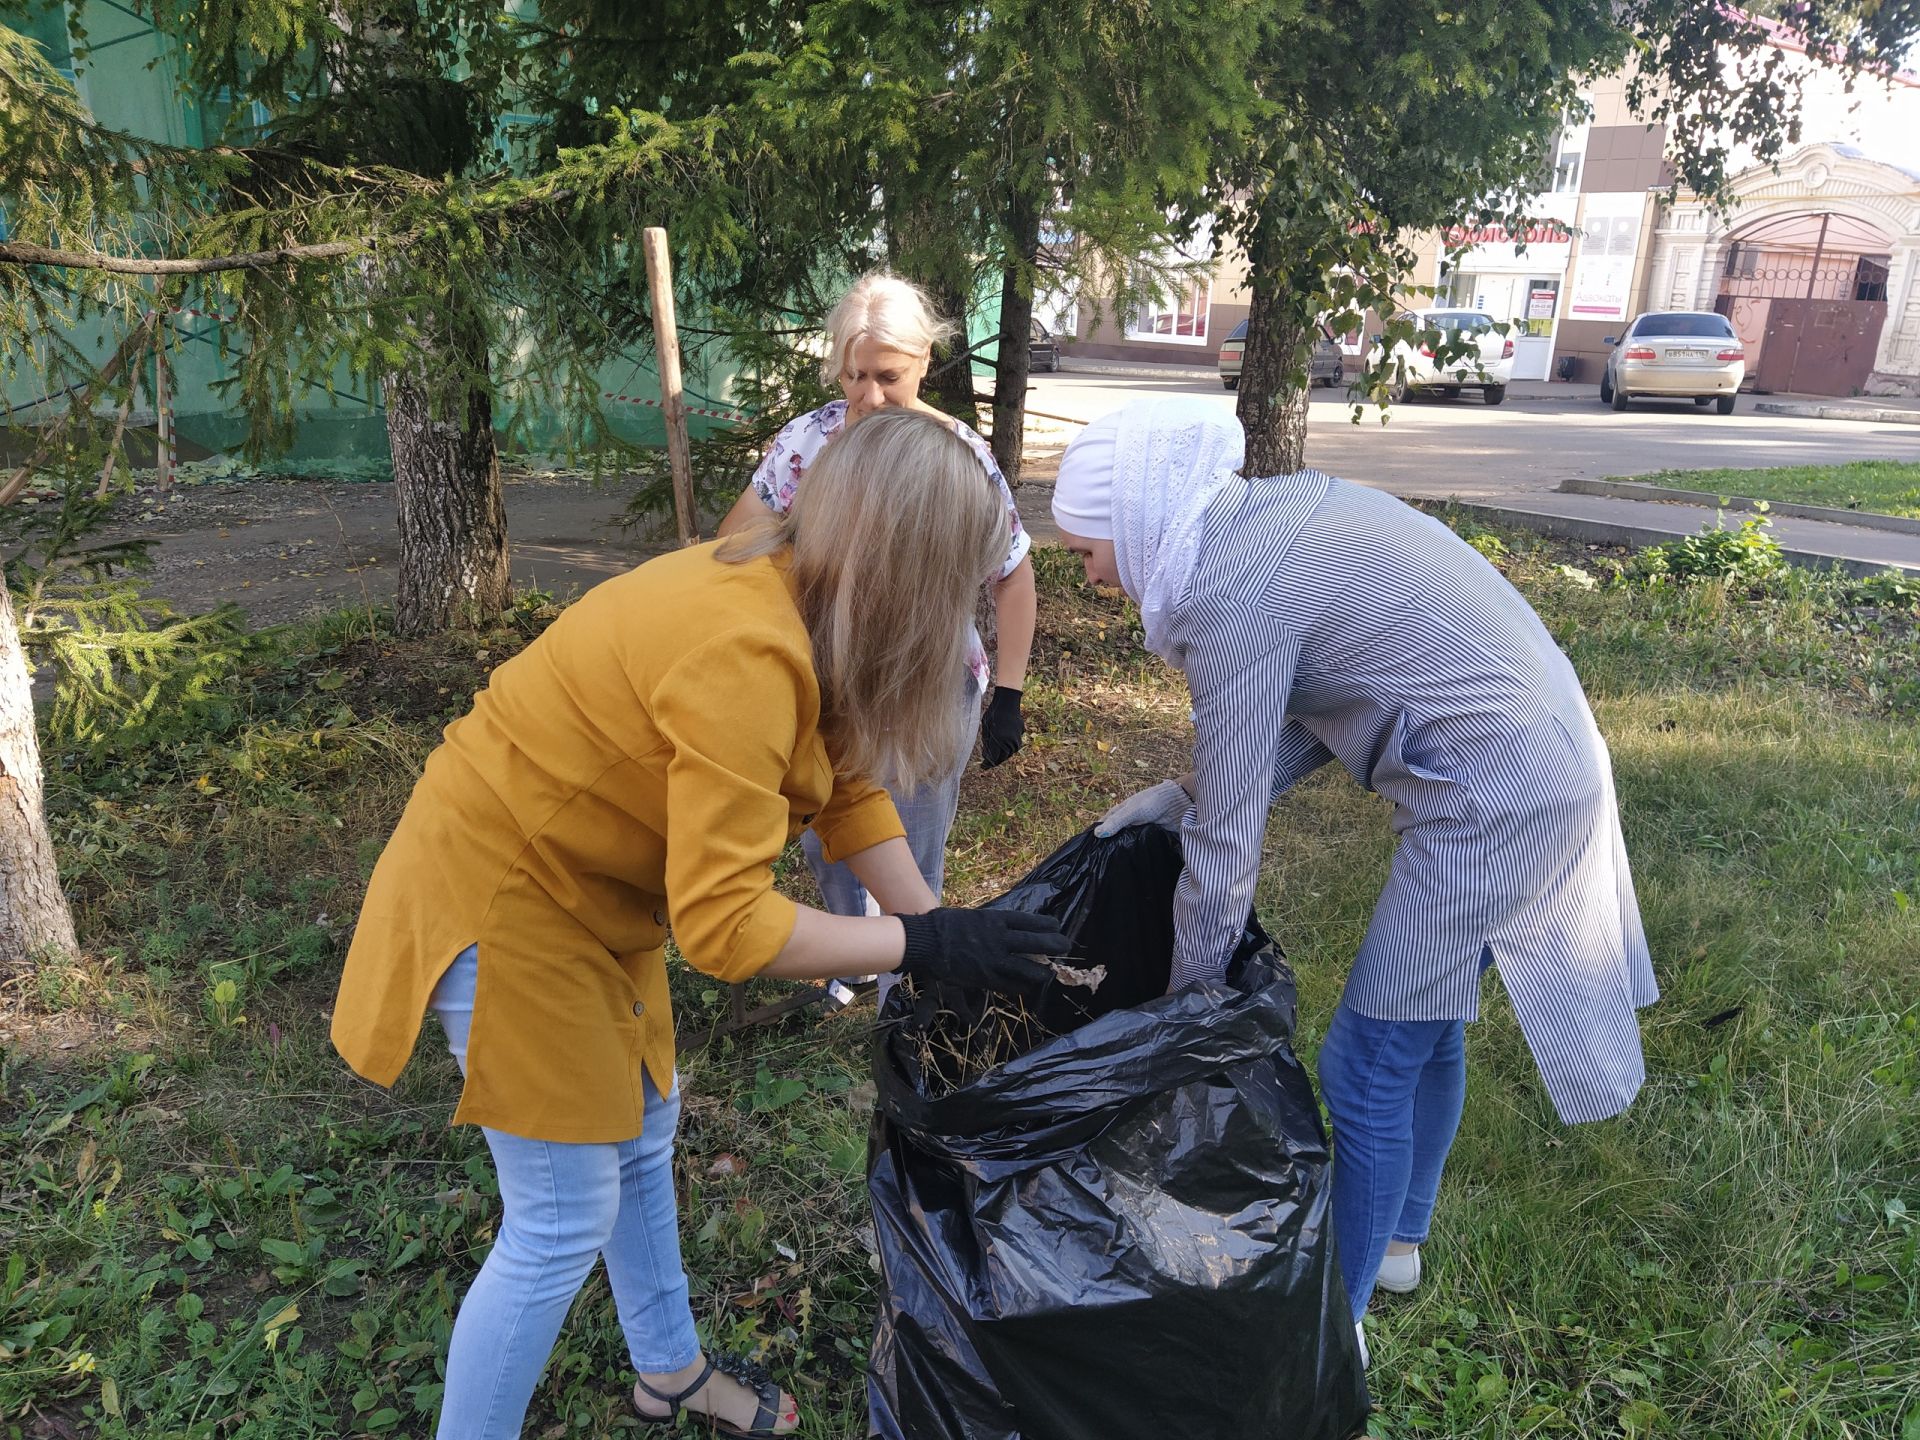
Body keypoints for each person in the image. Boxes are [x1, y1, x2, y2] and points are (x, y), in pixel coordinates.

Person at [332, 409, 1070, 1440]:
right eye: (958, 582)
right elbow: (725, 929)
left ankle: (668, 1373)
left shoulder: (810, 602)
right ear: (910, 571)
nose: (967, 613)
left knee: (643, 1126)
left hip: (592, 889)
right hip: (506, 890)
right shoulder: (746, 650)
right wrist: (920, 947)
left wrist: (939, 924)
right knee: (558, 1221)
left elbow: (846, 783)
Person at [1049, 397, 1656, 1356]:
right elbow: (1330, 704)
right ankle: (1401, 1241)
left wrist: (1185, 1011)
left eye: (1087, 549)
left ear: (1134, 519)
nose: (1087, 575)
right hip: (1539, 753)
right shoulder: (1264, 526)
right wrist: (1185, 790)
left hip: (1494, 791)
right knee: (1427, 1022)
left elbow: (1227, 848)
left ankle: (1342, 1323)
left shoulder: (1225, 594)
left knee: (1365, 1063)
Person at [719, 272, 1036, 930]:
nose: (869, 396)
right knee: (825, 826)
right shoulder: (808, 442)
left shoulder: (959, 455)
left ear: (923, 361)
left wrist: (1009, 693)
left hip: (926, 677)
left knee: (913, 838)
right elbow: (733, 542)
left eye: (888, 375)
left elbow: (1012, 572)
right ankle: (859, 952)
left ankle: (913, 978)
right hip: (827, 672)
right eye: (854, 375)